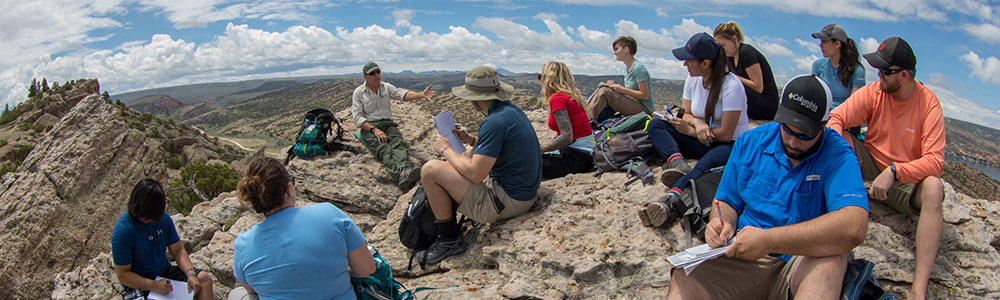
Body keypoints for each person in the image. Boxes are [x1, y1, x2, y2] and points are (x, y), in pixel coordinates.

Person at [666, 74, 869, 300]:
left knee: (830, 262)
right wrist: (720, 223)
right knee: (684, 278)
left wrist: (769, 240)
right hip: (747, 258)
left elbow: (853, 226)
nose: (792, 141)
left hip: (803, 257)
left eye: (803, 135)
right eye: (787, 129)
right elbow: (726, 201)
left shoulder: (839, 155)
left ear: (823, 126)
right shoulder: (751, 142)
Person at [828, 37, 945, 300]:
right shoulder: (874, 91)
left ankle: (918, 288)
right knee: (840, 135)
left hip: (904, 181)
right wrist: (846, 158)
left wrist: (895, 171)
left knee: (934, 188)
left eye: (886, 71)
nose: (878, 74)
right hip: (868, 165)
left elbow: (935, 161)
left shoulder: (929, 104)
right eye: (878, 69)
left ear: (905, 75)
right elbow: (837, 118)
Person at [417, 66, 542, 265]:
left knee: (430, 170)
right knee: (464, 154)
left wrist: (444, 149)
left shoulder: (494, 122)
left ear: (475, 97)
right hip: (524, 194)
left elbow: (476, 174)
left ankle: (449, 240)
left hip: (507, 201)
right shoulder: (510, 112)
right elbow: (497, 150)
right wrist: (470, 139)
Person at [638, 33, 750, 228]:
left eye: (688, 61)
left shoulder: (732, 86)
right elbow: (687, 113)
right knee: (657, 125)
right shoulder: (693, 80)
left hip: (728, 144)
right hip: (703, 138)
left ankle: (670, 200)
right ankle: (678, 163)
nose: (684, 65)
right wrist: (698, 124)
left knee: (703, 166)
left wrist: (691, 131)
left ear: (705, 63)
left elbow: (725, 133)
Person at [228, 157, 376, 300]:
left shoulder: (243, 245)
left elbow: (252, 289)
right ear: (288, 189)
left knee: (236, 294)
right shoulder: (329, 214)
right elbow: (366, 269)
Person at [111, 178, 214, 300]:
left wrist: (190, 273)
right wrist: (153, 286)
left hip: (164, 273)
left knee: (204, 280)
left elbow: (178, 250)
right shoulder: (124, 230)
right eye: (148, 217)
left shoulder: (162, 218)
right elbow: (123, 275)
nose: (152, 221)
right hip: (139, 285)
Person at [352, 61, 436, 190]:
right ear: (365, 76)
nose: (376, 75)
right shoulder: (359, 93)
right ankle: (400, 176)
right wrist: (374, 130)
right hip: (370, 127)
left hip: (388, 124)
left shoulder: (385, 87)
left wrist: (421, 95)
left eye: (378, 72)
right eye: (372, 73)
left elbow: (401, 94)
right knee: (384, 149)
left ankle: (405, 170)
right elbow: (357, 117)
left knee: (399, 143)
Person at [539, 61, 594, 179]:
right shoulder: (570, 96)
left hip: (575, 159)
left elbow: (567, 137)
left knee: (525, 161)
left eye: (541, 76)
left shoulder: (557, 98)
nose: (540, 80)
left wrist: (539, 149)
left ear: (549, 78)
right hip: (586, 156)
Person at [713, 21, 780, 120]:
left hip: (766, 105)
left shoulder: (746, 53)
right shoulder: (730, 57)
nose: (722, 50)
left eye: (723, 45)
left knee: (731, 83)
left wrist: (732, 76)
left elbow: (758, 87)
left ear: (734, 39)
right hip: (753, 102)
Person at [585, 36, 654, 122]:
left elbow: (644, 95)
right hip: (635, 104)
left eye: (616, 49)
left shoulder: (638, 68)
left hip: (644, 110)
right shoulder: (627, 68)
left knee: (604, 92)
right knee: (603, 88)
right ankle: (584, 114)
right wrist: (614, 88)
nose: (614, 52)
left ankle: (586, 121)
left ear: (626, 49)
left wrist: (622, 90)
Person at [811, 24, 865, 109]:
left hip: (843, 117)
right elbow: (813, 95)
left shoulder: (857, 71)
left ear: (837, 44)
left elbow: (854, 105)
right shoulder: (817, 65)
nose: (820, 45)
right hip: (820, 115)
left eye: (824, 42)